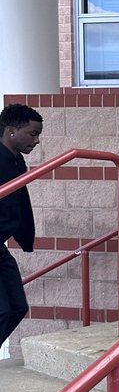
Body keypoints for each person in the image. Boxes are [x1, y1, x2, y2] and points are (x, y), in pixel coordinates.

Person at [0, 104, 43, 356]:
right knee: (3, 309)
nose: (36, 141)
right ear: (12, 131)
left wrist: (26, 237)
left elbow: (20, 201)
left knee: (17, 306)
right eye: (33, 133)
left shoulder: (16, 161)